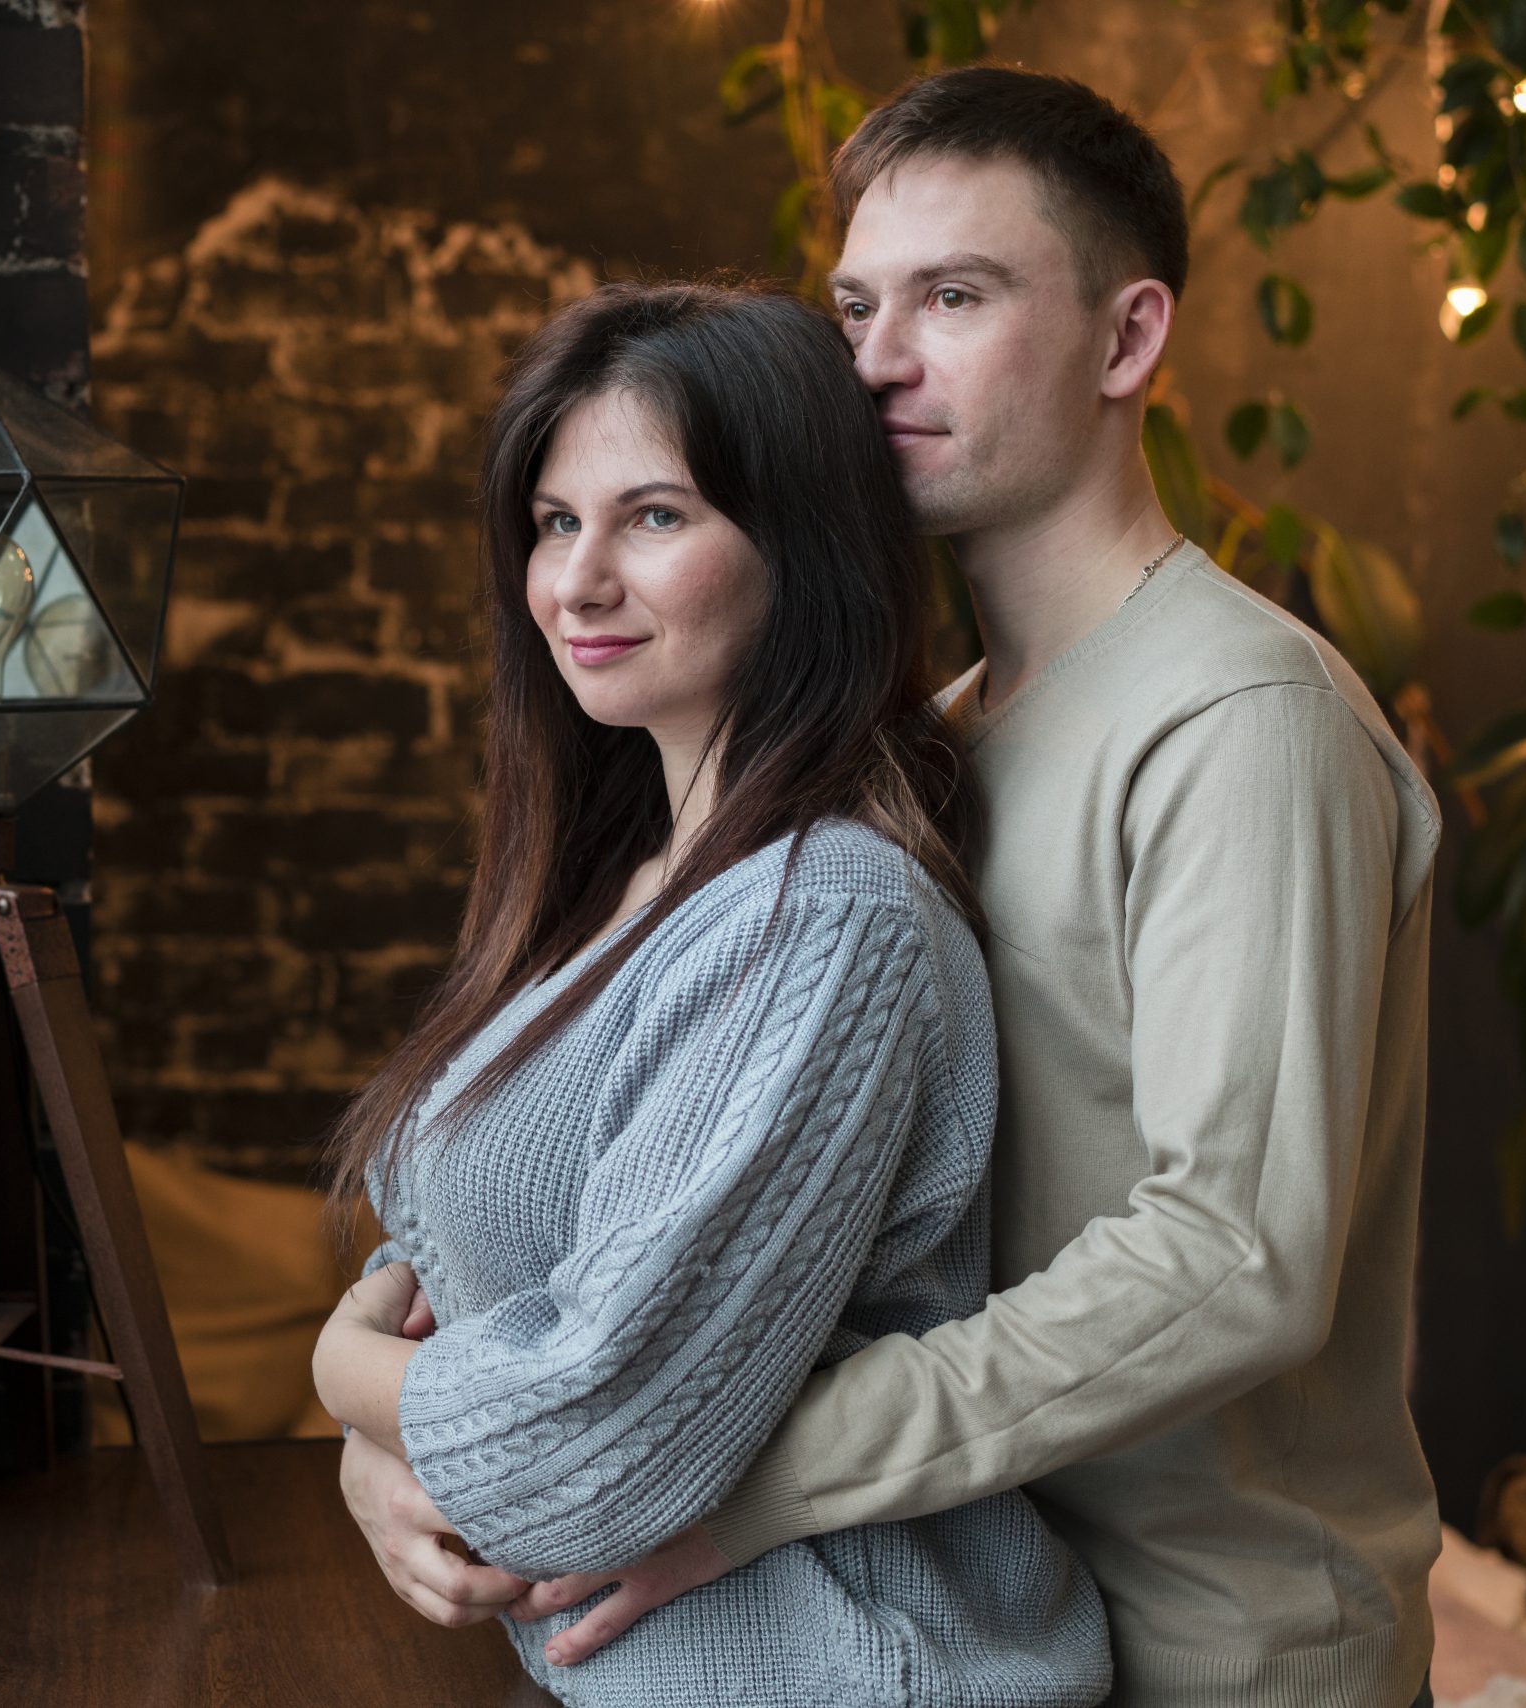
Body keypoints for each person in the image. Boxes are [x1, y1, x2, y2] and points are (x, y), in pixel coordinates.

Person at [335, 66, 1445, 1708]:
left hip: (1220, 1651)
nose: (877, 360)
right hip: (967, 1595)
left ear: (1129, 341)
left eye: (957, 297)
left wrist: (725, 1483)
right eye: (856, 303)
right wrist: (396, 1444)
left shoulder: (1241, 723)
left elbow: (1234, 1259)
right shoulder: (924, 743)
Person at [307, 278, 1112, 1706]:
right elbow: (494, 1232)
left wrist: (345, 1385)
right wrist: (392, 1443)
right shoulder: (628, 876)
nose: (577, 581)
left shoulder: (824, 920)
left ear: (801, 548)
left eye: (655, 516)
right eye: (557, 522)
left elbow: (579, 1453)